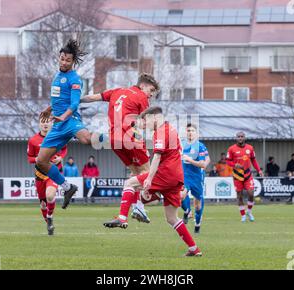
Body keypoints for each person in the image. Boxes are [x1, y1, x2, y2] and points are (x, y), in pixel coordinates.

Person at [103, 106, 202, 256]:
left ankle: (123, 218)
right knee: (171, 218)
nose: (145, 125)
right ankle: (194, 249)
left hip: (165, 174)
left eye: (145, 120)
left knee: (130, 183)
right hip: (176, 177)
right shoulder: (171, 128)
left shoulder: (161, 131)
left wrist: (149, 178)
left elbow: (157, 156)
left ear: (154, 117)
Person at [81, 73, 160, 223]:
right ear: (143, 85)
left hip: (114, 141)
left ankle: (134, 211)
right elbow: (146, 122)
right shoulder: (141, 97)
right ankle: (139, 207)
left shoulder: (116, 91)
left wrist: (74, 101)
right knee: (148, 174)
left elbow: (91, 98)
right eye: (151, 91)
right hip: (130, 137)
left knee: (135, 173)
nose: (150, 95)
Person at [35, 39, 102, 210]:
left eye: (68, 60)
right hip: (58, 124)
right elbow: (59, 99)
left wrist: (62, 116)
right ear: (59, 57)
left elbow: (73, 104)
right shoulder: (57, 76)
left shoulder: (75, 79)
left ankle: (110, 134)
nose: (64, 62)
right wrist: (49, 109)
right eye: (62, 59)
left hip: (70, 120)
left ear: (73, 62)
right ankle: (67, 187)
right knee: (41, 162)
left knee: (87, 140)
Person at [28, 117, 68, 235]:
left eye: (47, 122)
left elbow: (64, 148)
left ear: (51, 123)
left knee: (50, 195)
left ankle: (50, 216)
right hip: (40, 174)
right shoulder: (33, 140)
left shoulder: (57, 136)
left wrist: (61, 157)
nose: (45, 124)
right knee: (43, 204)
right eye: (42, 122)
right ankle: (49, 223)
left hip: (54, 172)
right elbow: (29, 158)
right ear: (39, 124)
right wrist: (39, 159)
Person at [226, 132, 263, 223]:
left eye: (242, 137)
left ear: (244, 138)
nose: (240, 138)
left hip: (247, 175)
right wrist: (235, 165)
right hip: (237, 175)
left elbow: (253, 160)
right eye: (238, 137)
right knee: (239, 196)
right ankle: (243, 215)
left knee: (251, 194)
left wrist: (259, 170)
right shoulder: (231, 149)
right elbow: (228, 161)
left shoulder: (250, 148)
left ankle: (249, 212)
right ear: (236, 138)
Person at [180, 124, 210, 234]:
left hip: (197, 178)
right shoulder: (181, 145)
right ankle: (187, 211)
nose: (190, 132)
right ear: (185, 132)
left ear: (196, 133)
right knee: (181, 196)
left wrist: (190, 160)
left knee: (197, 205)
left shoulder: (200, 146)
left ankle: (197, 224)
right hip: (184, 176)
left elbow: (203, 164)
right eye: (188, 130)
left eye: (192, 130)